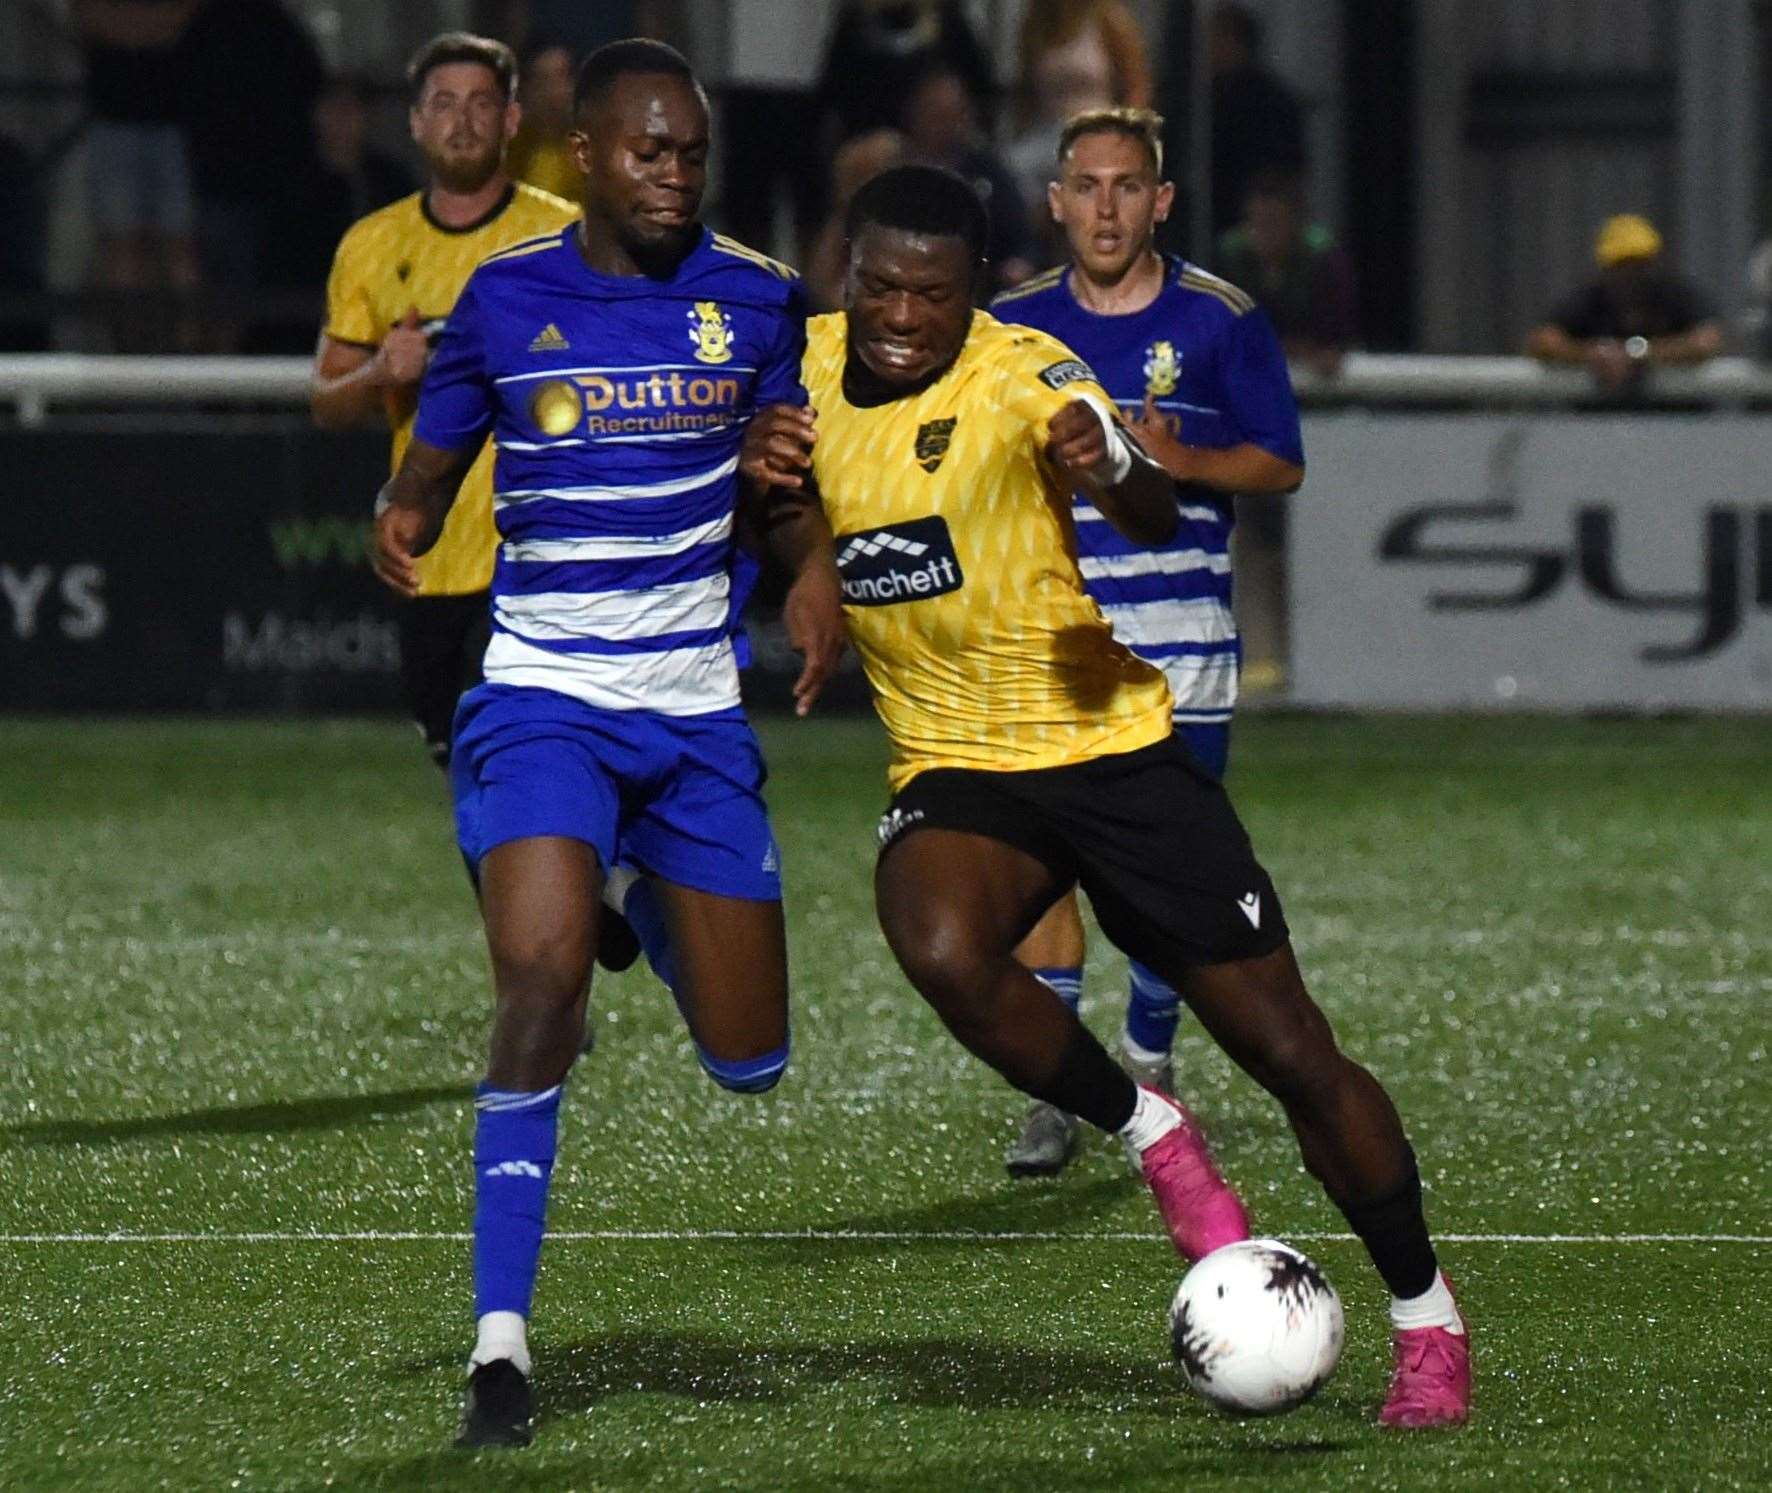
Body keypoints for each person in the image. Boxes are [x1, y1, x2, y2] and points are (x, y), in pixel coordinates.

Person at [745, 163, 1471, 1429]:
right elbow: (788, 510)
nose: (901, 316)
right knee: (936, 941)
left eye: (930, 293)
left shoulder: (1026, 373)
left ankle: (1424, 1317)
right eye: (878, 288)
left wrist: (1108, 458)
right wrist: (788, 539)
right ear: (846, 272)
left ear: (972, 292)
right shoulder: (797, 367)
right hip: (955, 761)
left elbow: (1141, 505)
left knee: (1291, 1051)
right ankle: (1149, 1127)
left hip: (1104, 745)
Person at [371, 38, 844, 1449]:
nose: (675, 174)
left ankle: (642, 888)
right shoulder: (505, 302)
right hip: (540, 699)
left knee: (751, 1063)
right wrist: (398, 516)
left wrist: (807, 561)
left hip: (694, 713)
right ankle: (501, 1348)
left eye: (693, 153)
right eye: (650, 150)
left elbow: (785, 485)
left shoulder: (759, 298)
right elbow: (431, 463)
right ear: (581, 153)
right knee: (539, 975)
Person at [986, 107, 1303, 1175]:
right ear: (1056, 199)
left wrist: (1183, 460)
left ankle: (1144, 1056)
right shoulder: (1010, 326)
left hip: (1181, 641)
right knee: (1037, 870)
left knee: (1169, 877)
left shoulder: (1220, 320)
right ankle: (1055, 1094)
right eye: (1088, 185)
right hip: (1056, 634)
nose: (1107, 206)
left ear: (1160, 200)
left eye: (1128, 186)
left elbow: (1280, 459)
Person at [313, 33, 576, 772]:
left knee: (529, 768)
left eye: (482, 104)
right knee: (464, 773)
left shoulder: (560, 237)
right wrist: (379, 376)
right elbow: (327, 403)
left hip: (541, 556)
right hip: (430, 556)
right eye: (444, 104)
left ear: (512, 121)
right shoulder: (372, 244)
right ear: (417, 123)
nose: (463, 122)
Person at [72, 0, 202, 350]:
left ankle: (189, 359)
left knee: (181, 247)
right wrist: (148, 26)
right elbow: (90, 17)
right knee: (121, 247)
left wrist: (129, 26)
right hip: (113, 122)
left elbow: (182, 18)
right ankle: (126, 354)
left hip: (172, 124)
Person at [1001, 0, 1151, 256]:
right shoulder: (1035, 25)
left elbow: (1135, 84)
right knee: (1011, 175)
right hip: (1047, 136)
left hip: (1099, 130)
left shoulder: (1109, 19)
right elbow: (1025, 95)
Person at [1526, 214, 1725, 393]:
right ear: (1606, 269)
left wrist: (1639, 354)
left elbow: (1707, 340)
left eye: (1640, 264)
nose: (1632, 275)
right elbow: (1544, 341)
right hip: (1597, 420)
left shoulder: (1675, 295)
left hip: (1675, 418)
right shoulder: (1590, 299)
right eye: (1623, 266)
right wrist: (1592, 354)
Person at [899, 63, 1036, 295]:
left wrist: (1021, 264)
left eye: (953, 112)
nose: (945, 124)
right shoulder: (893, 169)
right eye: (935, 113)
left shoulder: (987, 170)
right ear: (913, 113)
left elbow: (1022, 238)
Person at [1206, 2, 1306, 241]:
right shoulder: (1202, 101)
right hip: (1212, 218)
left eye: (1218, 39)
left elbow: (1286, 170)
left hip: (1257, 227)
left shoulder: (1271, 101)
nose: (1210, 50)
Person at [504, 40, 582, 205]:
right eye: (543, 80)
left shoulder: (595, 151)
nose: (553, 91)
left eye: (561, 77)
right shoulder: (508, 151)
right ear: (526, 89)